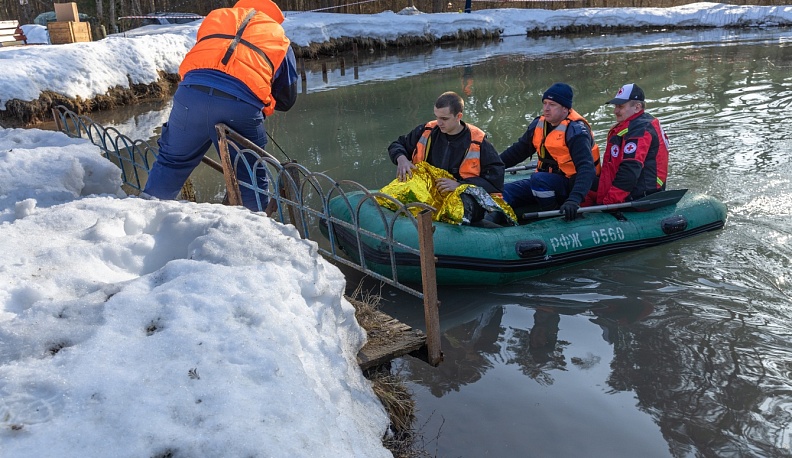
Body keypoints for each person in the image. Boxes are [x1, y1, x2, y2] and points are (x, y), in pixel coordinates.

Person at [142, 0, 298, 212]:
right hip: (240, 106)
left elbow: (208, 59)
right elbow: (287, 100)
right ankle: (253, 233)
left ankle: (144, 218)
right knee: (249, 176)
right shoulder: (278, 38)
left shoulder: (216, 19)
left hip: (190, 95)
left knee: (171, 162)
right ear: (275, 18)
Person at [387, 91, 506, 225]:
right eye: (437, 117)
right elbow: (397, 145)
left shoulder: (477, 140)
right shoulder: (427, 130)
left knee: (463, 205)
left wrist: (460, 185)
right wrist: (401, 158)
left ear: (458, 116)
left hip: (461, 195)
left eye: (444, 119)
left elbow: (496, 180)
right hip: (429, 190)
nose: (439, 123)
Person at [499, 83, 600, 222]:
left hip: (570, 184)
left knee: (539, 180)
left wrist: (574, 199)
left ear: (565, 108)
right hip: (548, 180)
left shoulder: (576, 131)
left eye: (552, 104)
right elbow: (517, 152)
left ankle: (553, 217)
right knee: (505, 191)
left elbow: (586, 169)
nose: (546, 108)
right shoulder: (539, 125)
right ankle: (493, 219)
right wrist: (491, 166)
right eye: (545, 103)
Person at [594, 83, 669, 205]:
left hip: (639, 198)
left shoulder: (640, 130)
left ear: (637, 107)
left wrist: (609, 203)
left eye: (620, 106)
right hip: (630, 191)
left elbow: (630, 170)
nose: (615, 111)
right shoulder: (631, 125)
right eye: (615, 106)